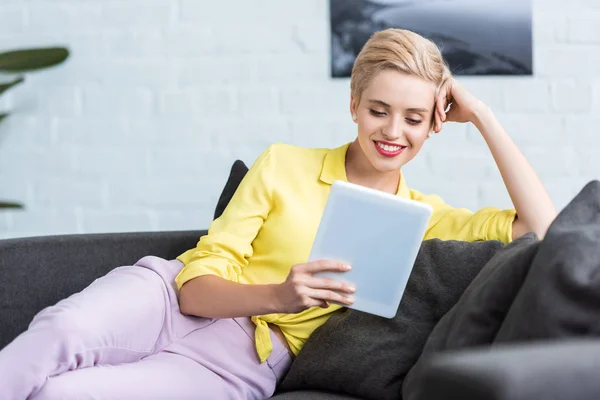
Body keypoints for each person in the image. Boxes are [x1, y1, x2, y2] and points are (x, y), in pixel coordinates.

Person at [0, 28, 557, 400]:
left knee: (66, 395)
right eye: (379, 110)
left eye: (414, 117)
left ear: (435, 123)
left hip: (242, 362)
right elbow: (194, 289)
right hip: (168, 298)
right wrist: (280, 295)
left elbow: (543, 229)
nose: (393, 132)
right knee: (61, 332)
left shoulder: (423, 219)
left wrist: (481, 114)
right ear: (354, 106)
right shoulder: (282, 164)